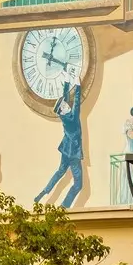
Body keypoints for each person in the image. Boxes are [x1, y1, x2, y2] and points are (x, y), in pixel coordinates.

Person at [35, 78, 85, 209]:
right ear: (61, 111)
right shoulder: (72, 117)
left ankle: (44, 192)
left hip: (65, 150)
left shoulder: (64, 117)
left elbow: (65, 99)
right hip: (73, 153)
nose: (67, 105)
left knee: (60, 171)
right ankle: (64, 205)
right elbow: (76, 104)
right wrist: (78, 87)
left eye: (65, 104)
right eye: (64, 106)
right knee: (78, 184)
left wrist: (67, 83)